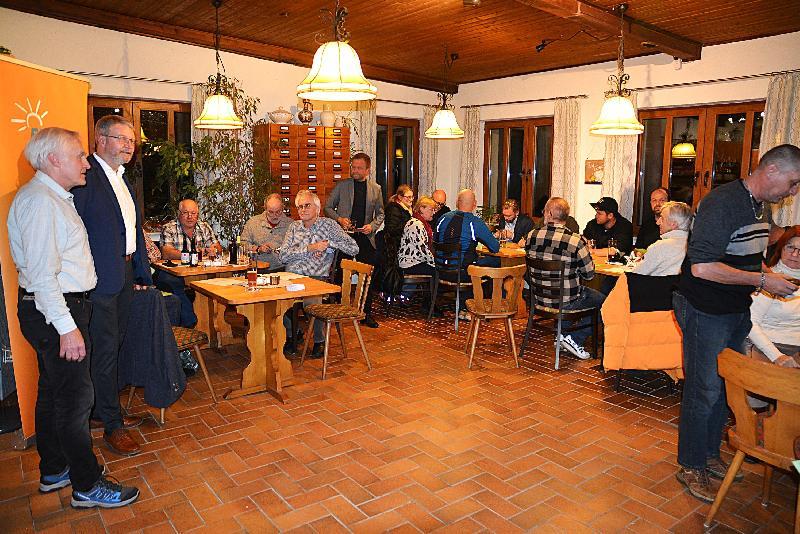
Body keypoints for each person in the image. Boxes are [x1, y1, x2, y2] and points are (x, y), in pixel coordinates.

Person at [8, 127, 139, 508]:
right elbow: (42, 276)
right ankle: (86, 483)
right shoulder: (40, 203)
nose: (85, 162)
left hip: (60, 308)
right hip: (56, 311)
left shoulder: (54, 197)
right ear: (53, 160)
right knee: (76, 401)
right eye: (78, 156)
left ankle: (54, 470)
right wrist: (68, 328)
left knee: (53, 394)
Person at [673, 144, 800, 503]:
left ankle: (709, 454)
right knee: (704, 389)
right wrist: (763, 283)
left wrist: (766, 274)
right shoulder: (721, 202)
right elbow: (701, 267)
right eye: (792, 183)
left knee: (724, 386)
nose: (793, 192)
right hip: (703, 308)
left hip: (733, 309)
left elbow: (743, 258)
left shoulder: (761, 206)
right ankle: (691, 464)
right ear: (771, 171)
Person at [72, 115, 152, 457]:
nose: (129, 146)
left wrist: (140, 274)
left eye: (132, 141)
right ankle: (111, 425)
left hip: (122, 276)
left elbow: (132, 232)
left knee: (112, 348)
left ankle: (104, 410)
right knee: (103, 353)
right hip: (99, 281)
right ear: (100, 139)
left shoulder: (123, 180)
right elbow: (75, 234)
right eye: (122, 139)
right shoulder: (85, 178)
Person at [280, 190, 359, 357]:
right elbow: (283, 256)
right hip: (292, 277)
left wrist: (328, 244)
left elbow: (353, 248)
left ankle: (319, 340)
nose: (302, 210)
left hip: (316, 277)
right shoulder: (294, 227)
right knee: (274, 302)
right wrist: (310, 248)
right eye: (299, 207)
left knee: (312, 304)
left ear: (317, 207)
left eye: (307, 205)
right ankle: (292, 334)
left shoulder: (329, 225)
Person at [526, 197, 604, 360]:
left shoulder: (531, 236)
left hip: (539, 299)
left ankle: (562, 336)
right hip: (566, 301)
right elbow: (589, 275)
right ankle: (574, 338)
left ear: (549, 213)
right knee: (604, 301)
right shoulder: (575, 241)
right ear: (565, 217)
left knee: (574, 292)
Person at [324, 152, 384, 328]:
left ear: (367, 170)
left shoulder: (376, 189)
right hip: (344, 237)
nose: (355, 171)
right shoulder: (342, 186)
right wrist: (339, 219)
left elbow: (380, 213)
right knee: (340, 275)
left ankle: (366, 313)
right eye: (353, 167)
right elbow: (328, 207)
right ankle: (336, 313)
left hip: (365, 237)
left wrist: (372, 226)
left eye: (359, 168)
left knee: (367, 276)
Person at [158, 199, 223, 327]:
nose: (190, 217)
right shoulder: (169, 228)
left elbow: (217, 247)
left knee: (219, 283)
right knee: (172, 283)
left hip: (200, 271)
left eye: (193, 213)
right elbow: (166, 252)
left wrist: (213, 250)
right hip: (173, 272)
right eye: (186, 213)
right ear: (179, 213)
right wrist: (193, 254)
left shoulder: (204, 227)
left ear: (197, 214)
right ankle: (190, 322)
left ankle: (216, 328)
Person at [747, 225, 800, 368]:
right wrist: (777, 356)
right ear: (781, 248)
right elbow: (750, 322)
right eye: (790, 247)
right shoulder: (770, 280)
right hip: (770, 350)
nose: (795, 254)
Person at [435, 188, 500, 268]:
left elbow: (435, 241)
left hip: (440, 270)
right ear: (474, 204)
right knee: (497, 260)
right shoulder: (475, 222)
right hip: (463, 272)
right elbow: (495, 247)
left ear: (456, 202)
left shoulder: (443, 218)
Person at [631, 201, 691, 276]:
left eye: (662, 218)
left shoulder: (660, 246)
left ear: (673, 224)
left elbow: (634, 275)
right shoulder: (693, 246)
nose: (657, 222)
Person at [241, 193, 292, 271]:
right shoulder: (253, 222)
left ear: (283, 208)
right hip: (257, 269)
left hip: (283, 269)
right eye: (271, 212)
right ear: (265, 209)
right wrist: (258, 249)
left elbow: (298, 247)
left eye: (278, 212)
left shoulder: (291, 225)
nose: (275, 215)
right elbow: (242, 244)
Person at [382, 184, 414, 299]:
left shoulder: (406, 209)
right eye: (408, 197)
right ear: (400, 197)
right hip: (395, 247)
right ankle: (401, 294)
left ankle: (403, 294)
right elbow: (391, 229)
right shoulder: (394, 209)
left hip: (400, 246)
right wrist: (408, 225)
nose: (410, 200)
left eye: (412, 197)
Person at [399, 196, 437, 277]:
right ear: (422, 209)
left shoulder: (418, 222)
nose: (433, 213)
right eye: (431, 210)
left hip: (413, 262)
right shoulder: (416, 224)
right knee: (438, 271)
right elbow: (423, 249)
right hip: (410, 264)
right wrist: (434, 263)